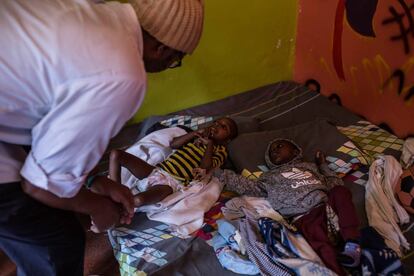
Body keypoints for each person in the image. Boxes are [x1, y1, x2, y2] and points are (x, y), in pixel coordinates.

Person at [0, 0, 204, 275]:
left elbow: (43, 116)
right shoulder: (124, 74)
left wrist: (93, 180)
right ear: (162, 49)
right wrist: (97, 207)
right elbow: (39, 186)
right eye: (175, 61)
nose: (171, 65)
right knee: (58, 241)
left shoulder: (92, 10)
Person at [210, 139, 361, 275]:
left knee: (340, 192)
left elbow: (335, 184)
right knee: (322, 250)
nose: (274, 150)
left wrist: (322, 166)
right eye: (271, 151)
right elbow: (248, 186)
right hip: (302, 218)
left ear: (296, 151)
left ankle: (352, 245)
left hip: (326, 209)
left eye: (280, 146)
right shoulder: (269, 178)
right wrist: (220, 173)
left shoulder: (310, 168)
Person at [109, 118, 238, 207]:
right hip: (157, 170)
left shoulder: (221, 150)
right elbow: (174, 144)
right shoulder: (197, 138)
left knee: (138, 200)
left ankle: (120, 206)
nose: (216, 126)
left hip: (172, 182)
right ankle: (115, 193)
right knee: (116, 154)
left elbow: (205, 167)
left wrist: (209, 144)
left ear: (227, 140)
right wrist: (194, 133)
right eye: (216, 122)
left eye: (223, 127)